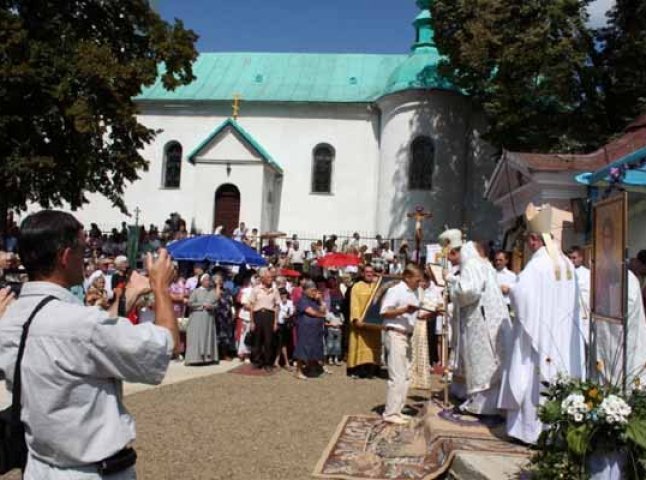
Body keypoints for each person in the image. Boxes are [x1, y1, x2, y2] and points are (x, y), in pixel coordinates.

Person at [0, 210, 178, 479]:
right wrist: (160, 286)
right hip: (91, 471)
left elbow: (81, 341)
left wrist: (127, 297)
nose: (85, 257)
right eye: (82, 249)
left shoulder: (10, 318)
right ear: (65, 256)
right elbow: (165, 346)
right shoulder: (81, 324)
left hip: (39, 467)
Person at [498, 204, 585, 444]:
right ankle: (556, 434)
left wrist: (510, 289)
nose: (527, 243)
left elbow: (522, 295)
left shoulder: (537, 264)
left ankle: (530, 432)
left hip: (538, 335)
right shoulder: (567, 264)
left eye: (528, 239)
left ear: (536, 239)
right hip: (562, 335)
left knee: (532, 377)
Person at [445, 241, 511, 415]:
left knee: (483, 361)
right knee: (491, 359)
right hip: (490, 316)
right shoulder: (485, 264)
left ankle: (482, 406)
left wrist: (452, 282)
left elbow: (468, 291)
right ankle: (490, 403)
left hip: (479, 320)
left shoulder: (471, 265)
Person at [380, 264, 422, 424]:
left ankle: (398, 409)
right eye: (417, 280)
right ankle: (390, 413)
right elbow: (385, 311)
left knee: (405, 375)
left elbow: (414, 312)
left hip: (407, 334)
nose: (419, 283)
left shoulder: (414, 292)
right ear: (408, 277)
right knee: (397, 374)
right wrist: (404, 310)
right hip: (395, 333)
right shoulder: (396, 290)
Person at [347, 265, 381, 378]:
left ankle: (372, 369)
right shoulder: (356, 287)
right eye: (367, 272)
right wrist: (356, 319)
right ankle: (358, 370)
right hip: (361, 322)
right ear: (363, 274)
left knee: (372, 347)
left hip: (373, 323)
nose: (369, 274)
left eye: (371, 272)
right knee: (359, 345)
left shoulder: (377, 287)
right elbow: (354, 304)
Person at [293, 280, 327, 380]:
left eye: (315, 290)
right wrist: (322, 315)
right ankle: (298, 371)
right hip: (305, 329)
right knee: (303, 350)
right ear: (306, 290)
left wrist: (320, 300)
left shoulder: (314, 301)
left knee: (314, 349)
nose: (314, 292)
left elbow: (323, 309)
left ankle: (310, 367)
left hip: (315, 330)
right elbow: (311, 312)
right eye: (312, 290)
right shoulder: (302, 300)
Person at [249, 267, 280, 371]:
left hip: (269, 316)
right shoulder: (256, 289)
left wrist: (275, 322)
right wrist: (252, 321)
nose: (270, 279)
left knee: (268, 340)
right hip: (258, 315)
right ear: (262, 278)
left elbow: (276, 306)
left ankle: (268, 363)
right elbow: (252, 306)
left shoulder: (274, 290)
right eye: (268, 277)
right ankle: (257, 361)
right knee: (257, 340)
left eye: (271, 277)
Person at [185, 273, 219, 366]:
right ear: (201, 281)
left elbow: (216, 304)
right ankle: (195, 359)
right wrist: (202, 305)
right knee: (197, 338)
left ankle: (208, 358)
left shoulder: (212, 292)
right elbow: (190, 303)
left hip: (208, 319)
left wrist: (211, 306)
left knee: (207, 337)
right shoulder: (196, 291)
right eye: (206, 280)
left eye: (209, 280)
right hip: (197, 318)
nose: (208, 282)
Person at [567, 246, 591, 344]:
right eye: (569, 258)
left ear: (581, 258)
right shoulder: (565, 273)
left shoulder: (588, 274)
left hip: (583, 313)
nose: (571, 260)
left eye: (574, 258)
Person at [275, 288, 294, 369]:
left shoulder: (290, 302)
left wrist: (289, 315)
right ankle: (286, 362)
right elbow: (276, 313)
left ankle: (276, 361)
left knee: (282, 344)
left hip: (286, 325)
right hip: (279, 325)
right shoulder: (277, 303)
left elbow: (292, 311)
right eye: (282, 294)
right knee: (282, 344)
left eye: (285, 294)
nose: (283, 295)